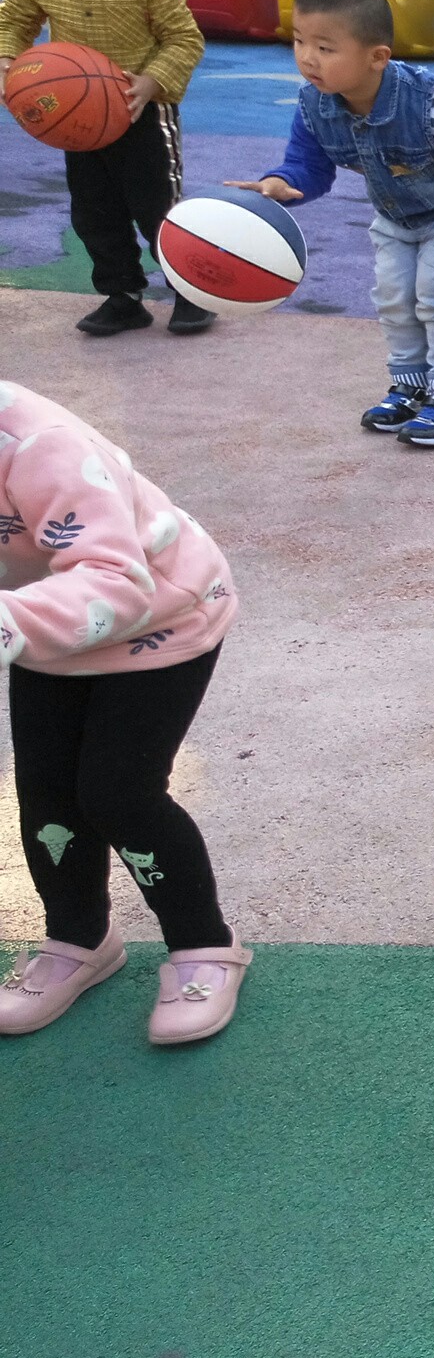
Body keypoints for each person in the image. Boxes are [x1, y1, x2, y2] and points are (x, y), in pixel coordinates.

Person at [0, 382, 251, 1045]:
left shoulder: (42, 448)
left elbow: (118, 579)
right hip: (48, 628)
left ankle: (203, 944)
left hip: (159, 622)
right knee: (47, 793)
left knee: (118, 793)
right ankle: (78, 938)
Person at [229, 0, 434, 448]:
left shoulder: (433, 108)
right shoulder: (315, 104)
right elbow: (309, 167)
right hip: (398, 218)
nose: (307, 58)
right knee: (395, 297)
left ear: (377, 57)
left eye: (325, 47)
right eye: (299, 41)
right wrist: (281, 182)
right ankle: (412, 388)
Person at [0, 0, 208, 338]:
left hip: (142, 112)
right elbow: (13, 20)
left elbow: (185, 37)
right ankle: (122, 296)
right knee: (93, 212)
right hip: (77, 119)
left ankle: (192, 292)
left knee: (158, 209)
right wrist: (8, 60)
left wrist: (152, 80)